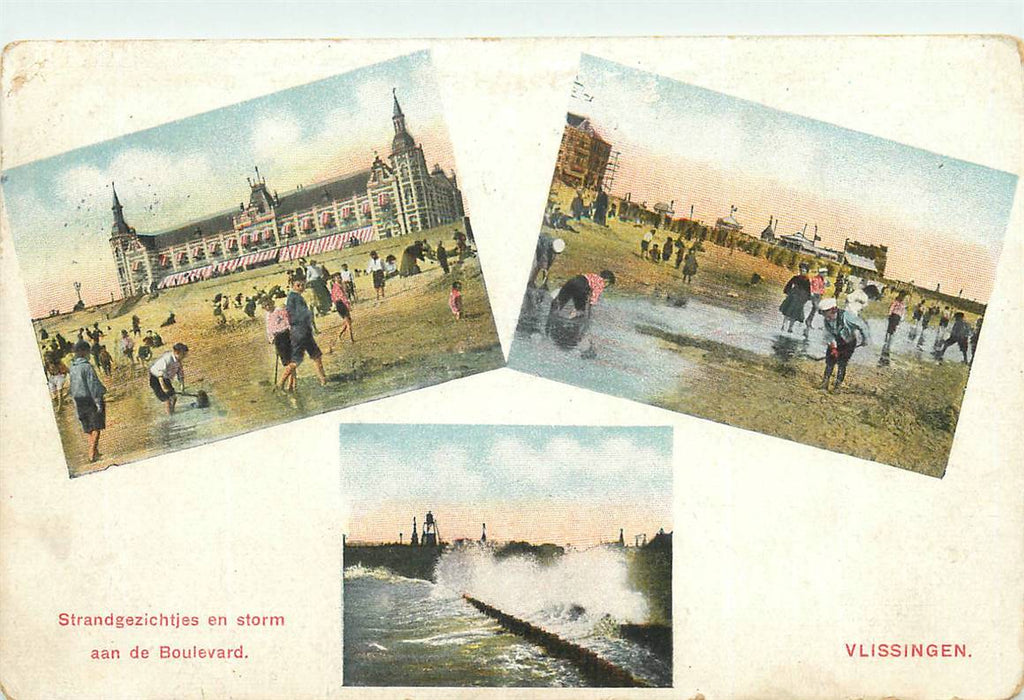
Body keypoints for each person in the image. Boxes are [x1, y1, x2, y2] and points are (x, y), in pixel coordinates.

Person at [818, 298, 870, 393]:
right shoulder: (827, 320)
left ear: (833, 309)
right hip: (836, 341)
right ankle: (825, 383)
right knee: (830, 361)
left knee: (842, 364)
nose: (825, 315)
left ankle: (837, 386)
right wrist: (833, 348)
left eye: (826, 312)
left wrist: (865, 339)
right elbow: (828, 335)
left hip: (848, 343)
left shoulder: (848, 317)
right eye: (823, 313)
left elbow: (862, 325)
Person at [285, 277, 328, 387]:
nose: (301, 287)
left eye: (302, 285)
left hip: (301, 331)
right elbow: (298, 316)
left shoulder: (294, 297)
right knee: (298, 360)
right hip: (301, 331)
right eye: (298, 285)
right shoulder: (295, 298)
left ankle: (323, 379)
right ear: (292, 285)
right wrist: (309, 313)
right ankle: (281, 382)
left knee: (316, 356)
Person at [68, 340, 106, 462]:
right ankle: (91, 451)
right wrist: (98, 401)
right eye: (88, 351)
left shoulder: (72, 367)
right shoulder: (87, 366)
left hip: (78, 399)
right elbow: (93, 385)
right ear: (84, 352)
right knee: (97, 426)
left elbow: (72, 386)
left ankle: (95, 452)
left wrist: (74, 400)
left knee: (88, 427)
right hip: (90, 399)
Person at [548, 270, 616, 321]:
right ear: (607, 281)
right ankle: (574, 324)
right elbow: (592, 301)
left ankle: (551, 317)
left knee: (560, 301)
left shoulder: (592, 275)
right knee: (580, 311)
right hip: (582, 287)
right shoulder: (601, 283)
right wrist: (588, 317)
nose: (606, 287)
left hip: (572, 281)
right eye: (608, 285)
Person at [263, 297, 294, 392]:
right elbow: (269, 328)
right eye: (265, 306)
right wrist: (271, 338)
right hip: (277, 338)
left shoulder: (279, 310)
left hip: (285, 334)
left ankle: (286, 383)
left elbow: (288, 321)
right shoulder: (267, 315)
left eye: (269, 304)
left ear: (272, 303)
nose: (268, 307)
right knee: (287, 362)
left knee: (291, 361)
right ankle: (291, 384)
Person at [149, 343, 188, 415]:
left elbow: (180, 375)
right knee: (167, 399)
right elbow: (160, 375)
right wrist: (164, 388)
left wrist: (182, 387)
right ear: (177, 352)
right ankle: (169, 416)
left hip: (165, 378)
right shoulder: (167, 358)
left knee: (173, 397)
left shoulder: (178, 362)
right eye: (183, 354)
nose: (185, 356)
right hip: (156, 378)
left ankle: (172, 412)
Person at [780, 263, 812, 333]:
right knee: (787, 311)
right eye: (801, 270)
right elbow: (789, 284)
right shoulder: (796, 278)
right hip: (793, 296)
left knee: (795, 313)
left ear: (806, 272)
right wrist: (787, 292)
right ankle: (783, 325)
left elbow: (808, 291)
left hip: (800, 298)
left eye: (803, 271)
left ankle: (790, 327)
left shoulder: (807, 280)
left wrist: (806, 298)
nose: (801, 272)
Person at [330, 272, 355, 342]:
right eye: (338, 278)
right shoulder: (337, 287)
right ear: (334, 279)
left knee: (347, 322)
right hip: (341, 304)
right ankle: (351, 339)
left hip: (340, 304)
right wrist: (348, 305)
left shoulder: (338, 286)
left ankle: (339, 336)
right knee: (348, 322)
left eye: (340, 277)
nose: (339, 278)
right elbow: (342, 297)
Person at [804, 267, 829, 333]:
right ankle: (808, 320)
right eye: (824, 273)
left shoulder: (823, 279)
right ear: (821, 273)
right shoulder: (815, 278)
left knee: (814, 309)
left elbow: (828, 285)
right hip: (814, 295)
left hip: (819, 295)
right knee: (816, 307)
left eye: (825, 273)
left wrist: (826, 282)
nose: (825, 274)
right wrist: (811, 293)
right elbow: (811, 286)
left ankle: (809, 321)